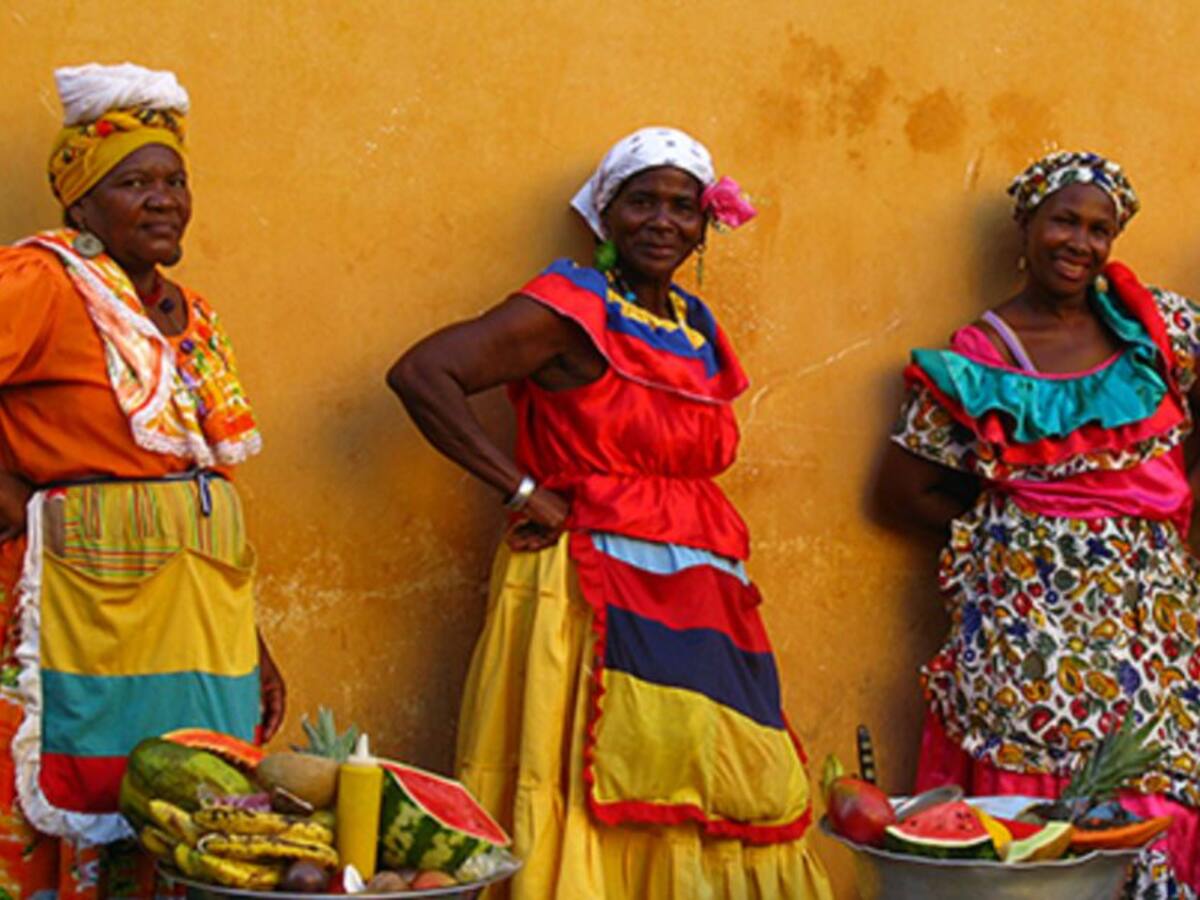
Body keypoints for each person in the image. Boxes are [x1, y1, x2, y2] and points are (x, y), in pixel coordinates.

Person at [389, 127, 832, 899]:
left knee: (709, 771)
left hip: (700, 590)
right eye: (642, 202)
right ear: (605, 214)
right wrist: (522, 489)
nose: (662, 222)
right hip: (586, 586)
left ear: (705, 224)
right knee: (586, 768)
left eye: (683, 207)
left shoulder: (694, 327)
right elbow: (424, 373)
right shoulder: (569, 308)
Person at [879, 150, 1200, 898]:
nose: (1079, 243)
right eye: (1064, 220)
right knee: (1035, 807)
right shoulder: (980, 356)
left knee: (1157, 787)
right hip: (1028, 631)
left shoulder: (1160, 333)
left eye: (1099, 228)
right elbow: (901, 492)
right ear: (1026, 226)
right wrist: (1015, 532)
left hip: (1149, 620)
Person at [0, 63, 284, 897]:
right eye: (134, 183)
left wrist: (249, 642)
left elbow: (196, 484)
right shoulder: (44, 285)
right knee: (63, 794)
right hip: (75, 608)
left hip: (196, 626)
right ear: (79, 203)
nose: (163, 199)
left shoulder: (188, 312)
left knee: (188, 806)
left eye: (175, 181)